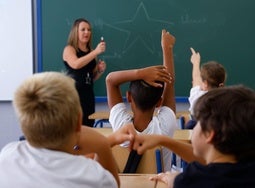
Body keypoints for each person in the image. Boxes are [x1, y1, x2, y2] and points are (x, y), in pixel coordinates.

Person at [0, 71, 137, 188]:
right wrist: (103, 145)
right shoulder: (92, 176)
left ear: (23, 125)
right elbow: (112, 184)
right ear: (79, 121)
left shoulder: (6, 157)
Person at [133, 85, 255, 188]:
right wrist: (164, 140)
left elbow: (183, 178)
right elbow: (213, 160)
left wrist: (172, 178)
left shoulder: (193, 179)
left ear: (210, 134)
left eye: (198, 123)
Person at [105, 29, 177, 171]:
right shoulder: (164, 128)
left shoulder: (121, 127)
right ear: (159, 102)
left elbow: (110, 80)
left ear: (129, 97)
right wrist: (167, 48)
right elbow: (170, 82)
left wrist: (140, 73)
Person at [63, 18, 106, 127]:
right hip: (73, 96)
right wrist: (96, 52)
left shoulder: (91, 52)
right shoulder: (69, 49)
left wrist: (100, 71)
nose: (87, 32)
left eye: (89, 30)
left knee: (88, 127)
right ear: (76, 32)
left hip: (88, 97)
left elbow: (91, 77)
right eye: (83, 29)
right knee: (74, 128)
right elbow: (76, 64)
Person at [186, 47, 226, 129]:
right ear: (221, 84)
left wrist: (196, 62)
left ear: (205, 83)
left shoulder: (197, 97)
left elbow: (196, 78)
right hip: (220, 131)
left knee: (190, 123)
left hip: (200, 131)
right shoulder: (228, 100)